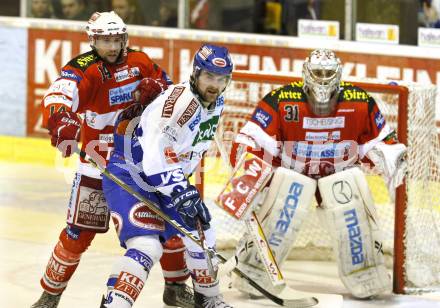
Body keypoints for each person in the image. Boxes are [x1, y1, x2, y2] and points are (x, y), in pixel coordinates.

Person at [31, 11, 193, 308]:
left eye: (116, 39)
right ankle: (50, 295)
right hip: (97, 161)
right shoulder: (84, 68)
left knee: (167, 225)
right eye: (105, 40)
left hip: (139, 162)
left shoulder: (140, 60)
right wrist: (62, 121)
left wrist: (157, 92)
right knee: (77, 234)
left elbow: (170, 92)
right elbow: (57, 96)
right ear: (93, 41)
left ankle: (175, 287)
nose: (112, 46)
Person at [229, 49, 407, 298]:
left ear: (339, 73)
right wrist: (248, 183)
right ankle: (255, 268)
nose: (323, 79)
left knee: (349, 189)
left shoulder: (359, 101)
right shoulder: (281, 99)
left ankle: (365, 269)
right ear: (306, 73)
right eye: (318, 73)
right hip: (292, 173)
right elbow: (249, 140)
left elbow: (383, 144)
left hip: (338, 176)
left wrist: (390, 159)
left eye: (328, 73)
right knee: (290, 190)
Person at [100, 44, 234, 308]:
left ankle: (208, 300)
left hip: (166, 181)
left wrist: (181, 185)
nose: (214, 85)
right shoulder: (180, 105)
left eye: (221, 79)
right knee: (147, 246)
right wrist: (181, 190)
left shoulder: (216, 101)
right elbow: (154, 155)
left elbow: (187, 149)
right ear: (196, 73)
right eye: (209, 77)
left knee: (202, 231)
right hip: (133, 175)